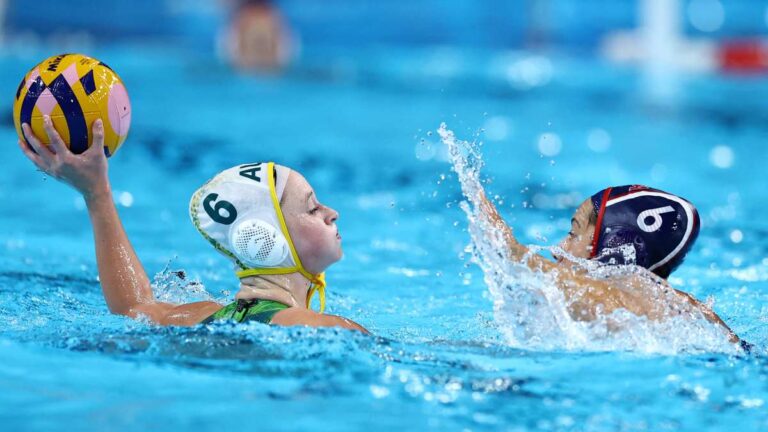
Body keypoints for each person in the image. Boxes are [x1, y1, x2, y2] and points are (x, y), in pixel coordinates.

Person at [18, 116, 367, 333]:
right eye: (312, 208)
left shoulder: (204, 316)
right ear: (265, 239)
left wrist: (96, 193)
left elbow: (133, 309)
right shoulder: (320, 327)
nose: (331, 212)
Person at [476, 184, 744, 345]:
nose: (559, 250)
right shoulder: (679, 305)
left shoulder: (636, 293)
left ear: (615, 243)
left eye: (573, 234)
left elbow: (607, 301)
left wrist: (515, 254)